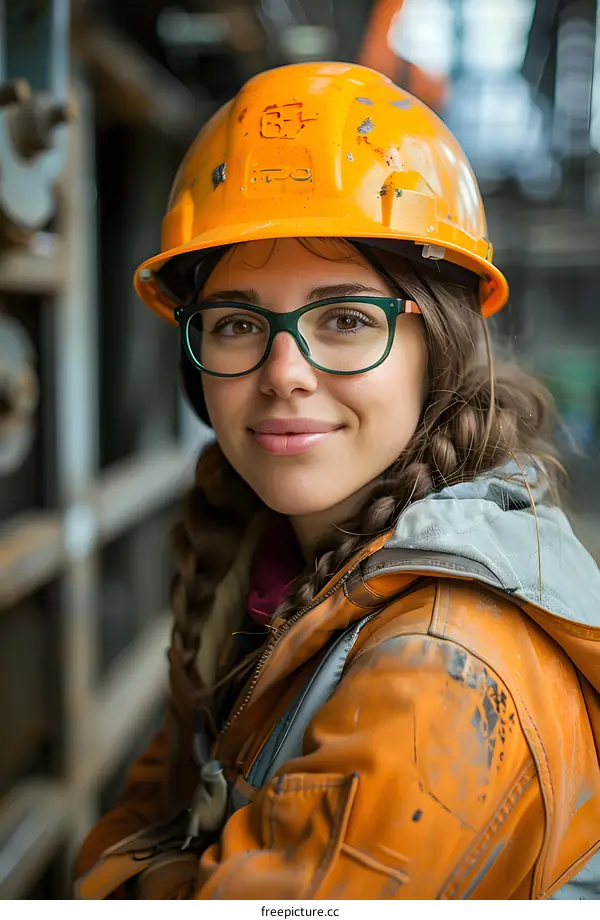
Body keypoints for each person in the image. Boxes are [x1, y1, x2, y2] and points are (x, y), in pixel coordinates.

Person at [74, 61, 600, 900]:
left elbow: (127, 844)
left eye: (347, 319)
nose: (284, 373)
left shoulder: (445, 675)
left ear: (443, 347)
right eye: (241, 323)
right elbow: (156, 800)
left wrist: (116, 880)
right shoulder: (257, 554)